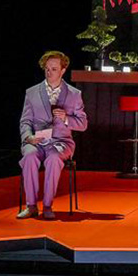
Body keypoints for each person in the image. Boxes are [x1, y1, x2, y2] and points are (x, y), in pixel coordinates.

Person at [17, 51, 87, 220]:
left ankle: (48, 206)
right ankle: (31, 206)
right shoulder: (32, 92)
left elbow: (83, 124)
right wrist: (28, 137)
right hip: (36, 140)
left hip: (61, 142)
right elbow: (25, 121)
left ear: (63, 70)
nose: (49, 73)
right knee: (29, 156)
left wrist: (66, 118)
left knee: (54, 159)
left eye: (54, 69)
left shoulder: (74, 94)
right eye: (47, 69)